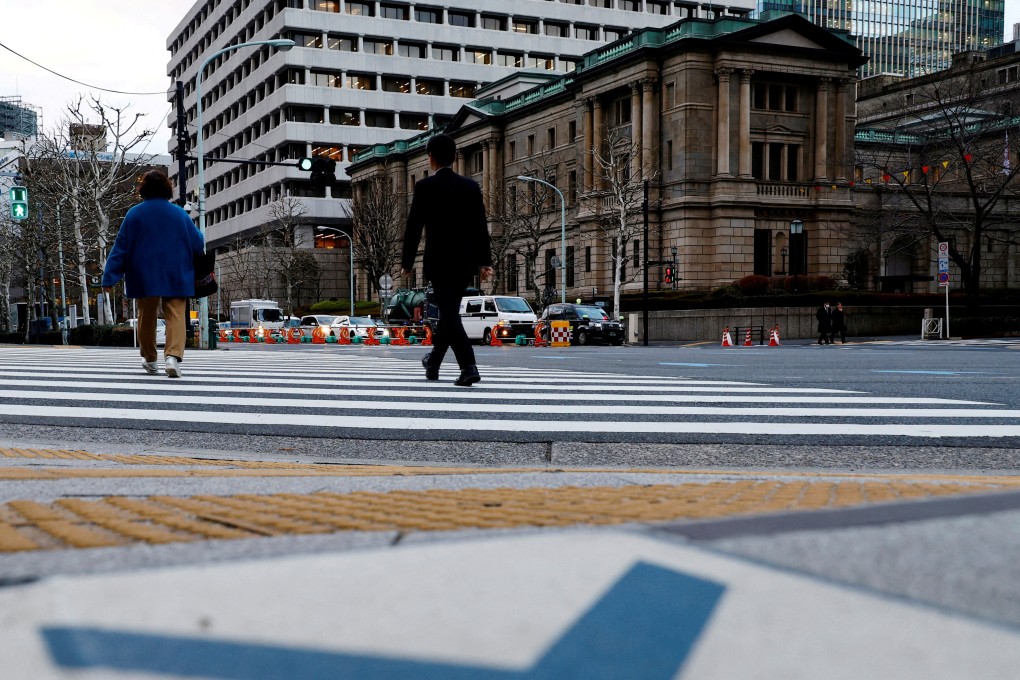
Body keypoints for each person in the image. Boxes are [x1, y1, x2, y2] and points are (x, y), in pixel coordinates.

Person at [401, 134, 493, 386]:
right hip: (465, 263)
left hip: (438, 261)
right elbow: (479, 227)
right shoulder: (470, 187)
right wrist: (484, 262)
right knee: (449, 312)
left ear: (430, 157)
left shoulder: (425, 187)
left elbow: (413, 227)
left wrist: (407, 262)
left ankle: (468, 366)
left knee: (449, 313)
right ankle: (433, 362)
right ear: (454, 157)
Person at [102, 170, 205, 378]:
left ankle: (150, 358)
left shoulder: (134, 214)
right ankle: (173, 357)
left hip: (144, 272)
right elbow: (198, 242)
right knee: (176, 314)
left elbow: (120, 248)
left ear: (144, 190)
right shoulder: (179, 214)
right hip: (176, 271)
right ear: (167, 188)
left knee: (146, 316)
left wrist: (110, 276)